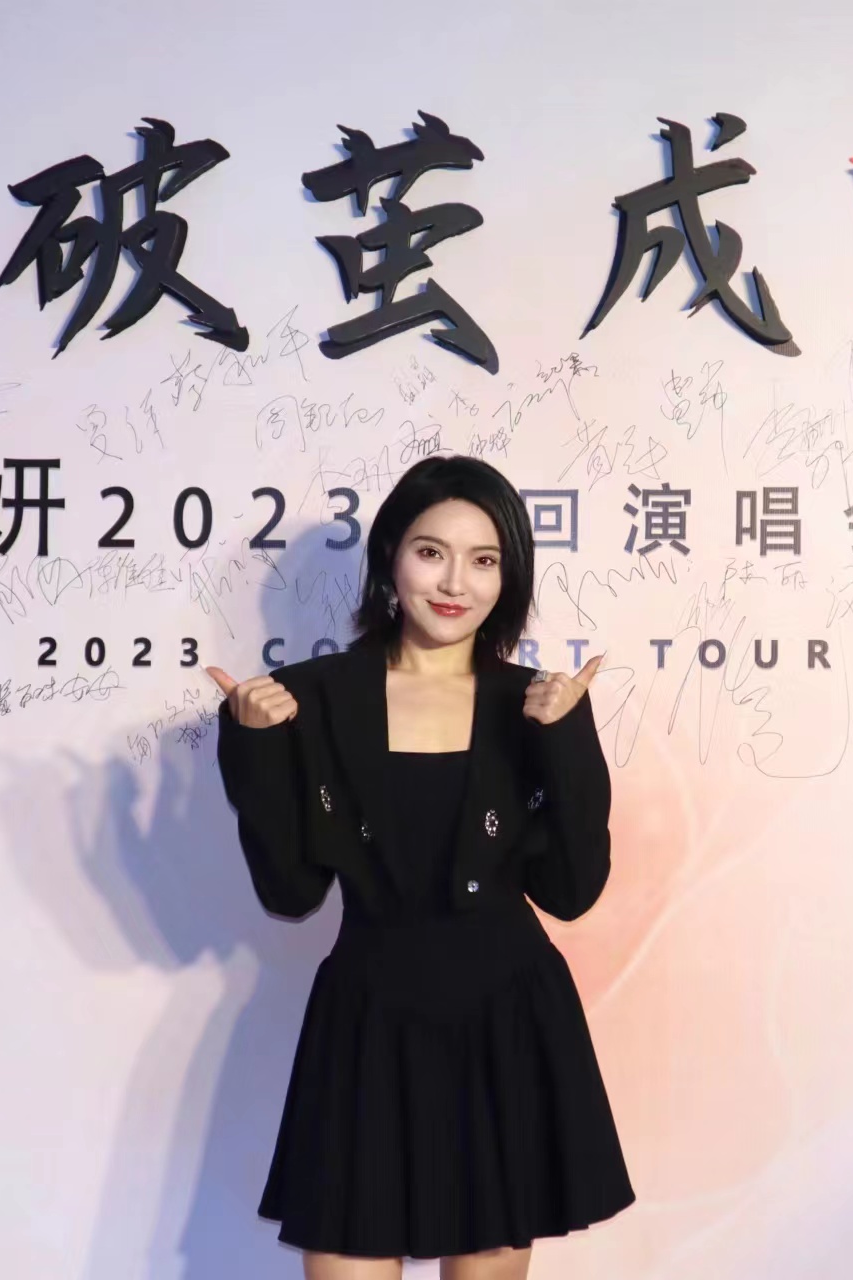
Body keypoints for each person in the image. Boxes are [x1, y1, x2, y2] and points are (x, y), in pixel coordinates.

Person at [206, 454, 635, 1280]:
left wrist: (566, 741)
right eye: (431, 552)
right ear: (389, 558)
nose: (455, 583)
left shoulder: (538, 702)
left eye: (484, 560)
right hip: (367, 1023)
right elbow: (290, 893)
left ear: (508, 577)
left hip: (506, 1023)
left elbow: (572, 892)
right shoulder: (306, 699)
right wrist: (256, 748)